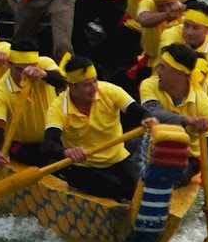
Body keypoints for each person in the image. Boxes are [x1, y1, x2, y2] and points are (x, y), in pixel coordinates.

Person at [134, 43, 208, 211]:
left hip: (185, 158)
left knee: (165, 174)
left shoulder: (206, 107)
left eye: (162, 68)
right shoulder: (150, 85)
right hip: (150, 144)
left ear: (178, 73)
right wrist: (186, 120)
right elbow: (152, 112)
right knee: (129, 152)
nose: (157, 72)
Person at [54, 56, 148, 201]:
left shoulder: (110, 91)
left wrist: (148, 119)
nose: (94, 89)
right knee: (116, 189)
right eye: (87, 85)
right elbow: (49, 143)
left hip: (117, 159)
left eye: (95, 82)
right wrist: (66, 151)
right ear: (71, 86)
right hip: (83, 166)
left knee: (139, 192)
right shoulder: (58, 108)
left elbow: (139, 111)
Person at [0, 46, 63, 167]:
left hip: (55, 138)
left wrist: (44, 74)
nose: (25, 75)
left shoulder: (45, 63)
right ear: (9, 65)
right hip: (24, 145)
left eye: (31, 69)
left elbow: (62, 81)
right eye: (19, 70)